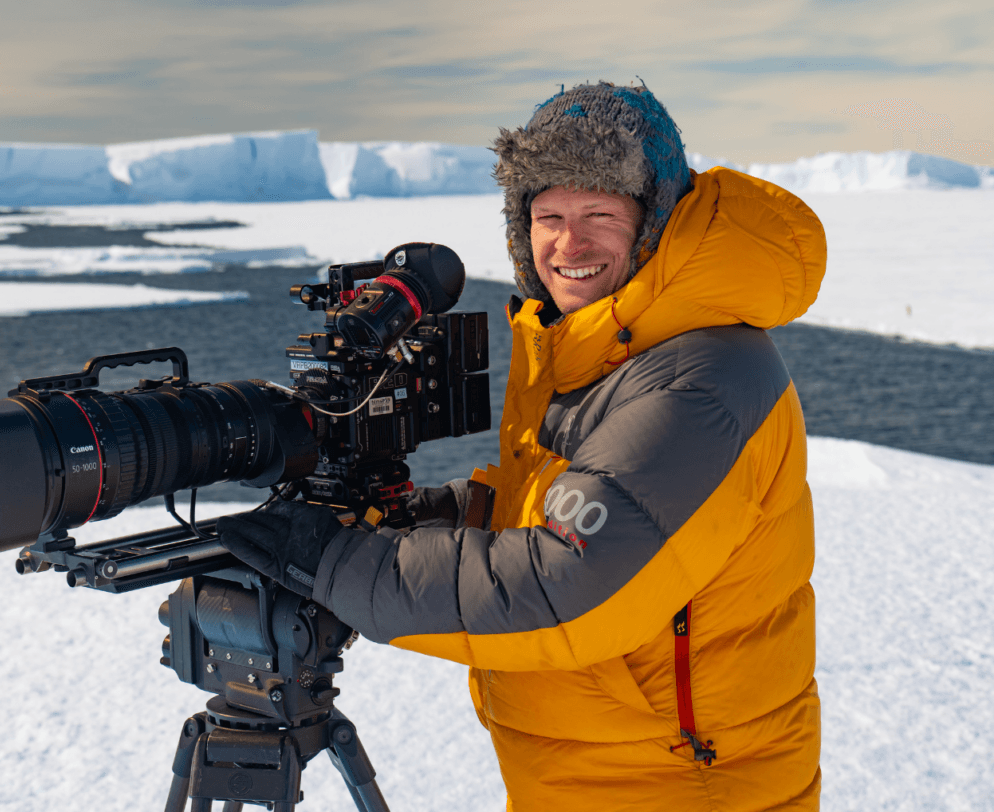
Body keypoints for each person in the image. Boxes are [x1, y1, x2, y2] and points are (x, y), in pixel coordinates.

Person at [219, 81, 827, 811]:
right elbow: (573, 504)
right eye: (548, 216)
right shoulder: (594, 344)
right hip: (601, 776)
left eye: (600, 213)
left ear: (654, 222)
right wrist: (431, 514)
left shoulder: (700, 378)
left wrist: (340, 561)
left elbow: (570, 584)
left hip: (678, 787)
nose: (569, 244)